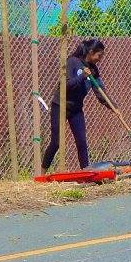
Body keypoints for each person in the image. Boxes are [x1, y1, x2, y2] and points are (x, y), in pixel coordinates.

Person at [42, 39, 110, 171]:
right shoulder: (72, 62)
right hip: (60, 105)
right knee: (56, 142)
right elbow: (65, 86)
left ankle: (85, 172)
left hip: (76, 109)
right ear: (91, 52)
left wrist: (113, 107)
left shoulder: (93, 70)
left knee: (81, 141)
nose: (100, 59)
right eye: (99, 55)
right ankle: (42, 172)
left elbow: (100, 91)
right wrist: (82, 76)